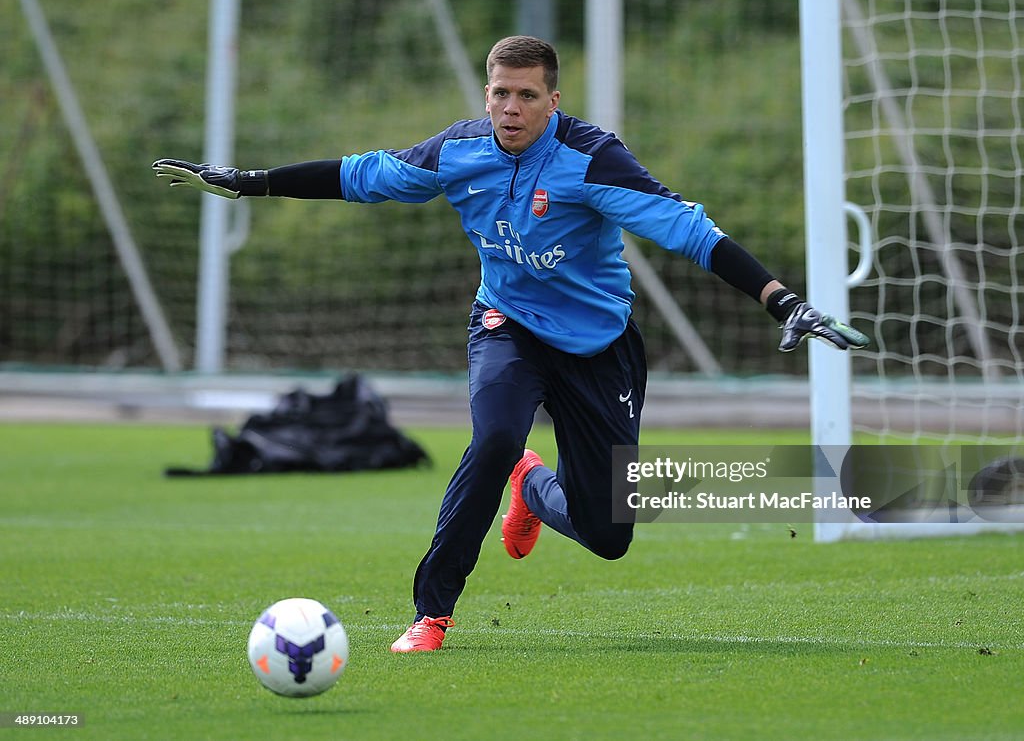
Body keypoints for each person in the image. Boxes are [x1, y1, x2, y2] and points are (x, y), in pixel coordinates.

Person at [154, 35, 868, 653]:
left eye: (527, 95)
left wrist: (784, 302)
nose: (511, 108)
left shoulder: (593, 160)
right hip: (508, 326)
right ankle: (432, 612)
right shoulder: (459, 150)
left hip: (598, 347)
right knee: (492, 437)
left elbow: (691, 231)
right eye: (500, 93)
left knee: (609, 533)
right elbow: (365, 176)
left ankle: (530, 484)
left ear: (553, 101)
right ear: (486, 94)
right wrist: (250, 184)